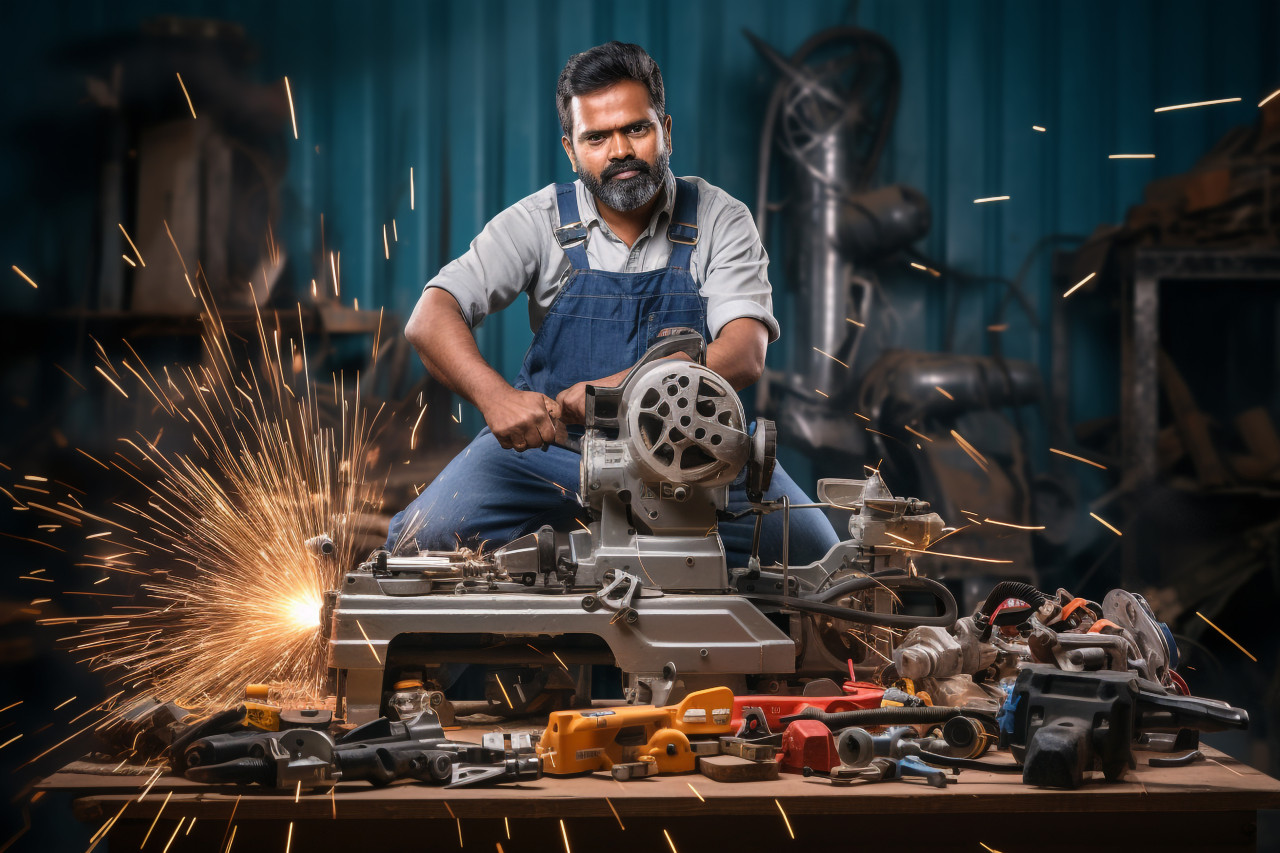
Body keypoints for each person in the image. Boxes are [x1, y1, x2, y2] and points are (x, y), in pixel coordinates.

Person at [385, 41, 838, 568]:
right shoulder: (538, 222)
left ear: (666, 130)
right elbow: (430, 314)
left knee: (816, 560)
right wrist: (496, 398)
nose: (619, 150)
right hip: (554, 452)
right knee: (420, 541)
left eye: (636, 129)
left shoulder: (720, 218)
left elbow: (742, 353)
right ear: (571, 150)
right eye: (596, 137)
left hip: (694, 448)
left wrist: (616, 391)